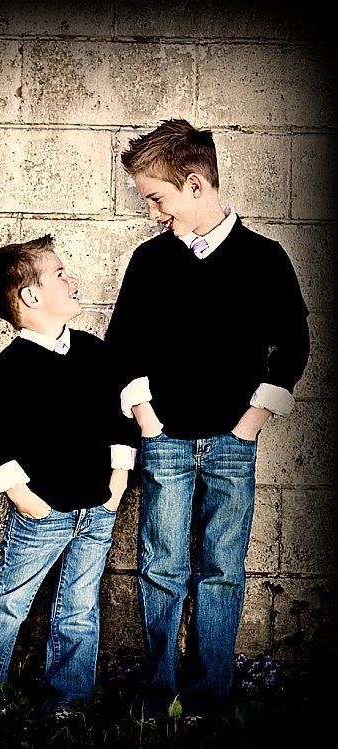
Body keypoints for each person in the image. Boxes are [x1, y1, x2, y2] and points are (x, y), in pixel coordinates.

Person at [104, 118, 310, 720]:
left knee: (222, 570)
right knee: (162, 566)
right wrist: (146, 419)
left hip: (231, 442)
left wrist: (249, 423)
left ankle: (208, 700)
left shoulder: (264, 258)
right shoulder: (149, 261)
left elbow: (293, 343)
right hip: (165, 441)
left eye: (156, 199)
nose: (152, 214)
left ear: (195, 185)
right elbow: (123, 345)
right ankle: (156, 693)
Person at [0, 234, 137, 713]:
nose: (71, 280)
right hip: (43, 514)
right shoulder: (13, 366)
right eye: (59, 274)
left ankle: (68, 705)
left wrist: (117, 483)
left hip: (97, 510)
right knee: (8, 605)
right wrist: (22, 495)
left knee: (78, 610)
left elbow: (121, 417)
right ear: (31, 297)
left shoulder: (95, 354)